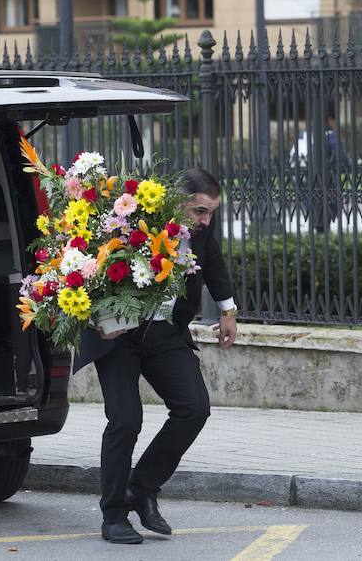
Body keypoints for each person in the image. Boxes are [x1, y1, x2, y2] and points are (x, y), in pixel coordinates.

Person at [73, 167, 238, 545]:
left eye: (211, 212)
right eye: (199, 211)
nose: (205, 220)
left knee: (194, 408)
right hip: (119, 336)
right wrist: (100, 317)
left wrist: (228, 312)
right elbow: (93, 268)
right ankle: (114, 515)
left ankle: (142, 487)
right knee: (125, 421)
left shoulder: (201, 230)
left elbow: (211, 263)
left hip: (165, 331)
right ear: (179, 202)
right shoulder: (134, 221)